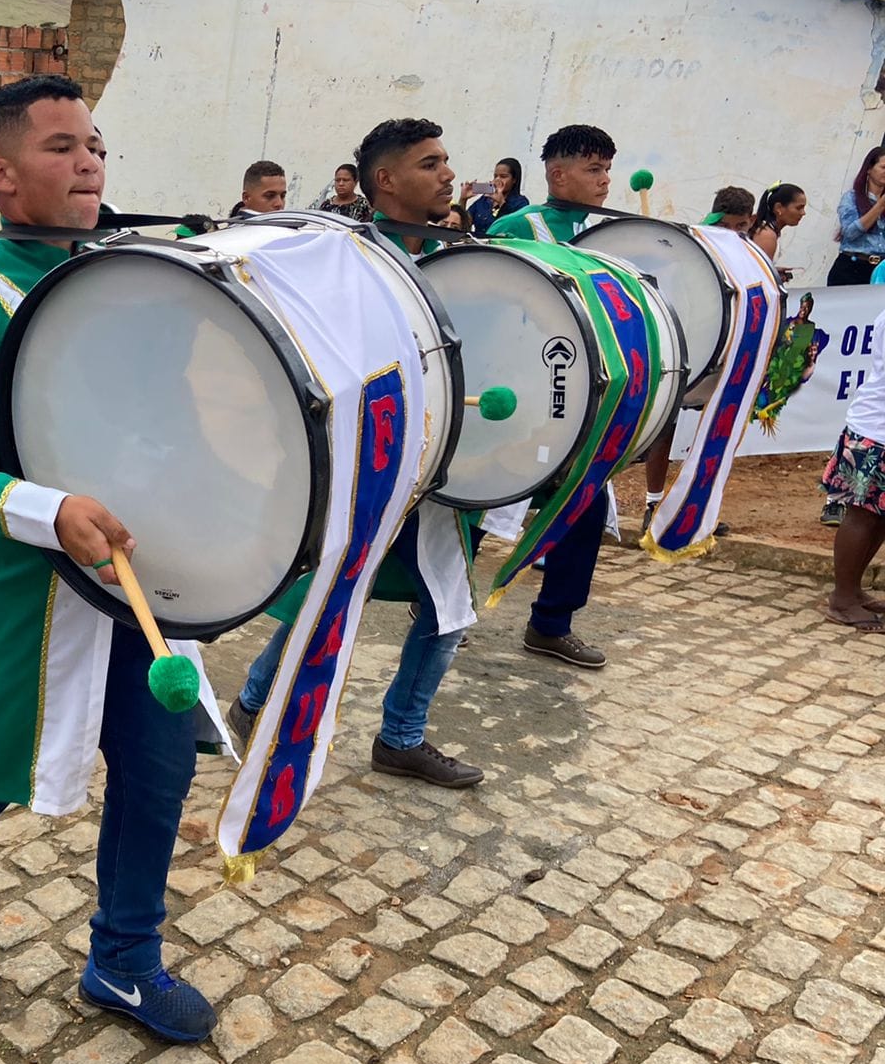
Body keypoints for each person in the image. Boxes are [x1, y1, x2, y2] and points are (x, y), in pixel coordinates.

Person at [0, 75, 218, 1044]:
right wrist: (48, 508)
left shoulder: (123, 278)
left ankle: (125, 961)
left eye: (95, 145)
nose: (89, 162)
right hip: (15, 589)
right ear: (2, 171)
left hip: (133, 579)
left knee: (156, 773)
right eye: (62, 146)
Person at [230, 117, 483, 788]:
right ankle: (382, 733)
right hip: (372, 469)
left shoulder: (452, 261)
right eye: (430, 164)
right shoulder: (347, 263)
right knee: (373, 594)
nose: (448, 175)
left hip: (432, 471)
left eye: (446, 161)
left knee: (408, 600)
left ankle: (271, 706)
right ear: (386, 180)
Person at [489, 124, 617, 669]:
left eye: (608, 169)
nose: (605, 180)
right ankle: (439, 609)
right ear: (558, 175)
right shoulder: (517, 228)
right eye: (594, 169)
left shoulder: (614, 233)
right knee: (476, 498)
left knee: (585, 503)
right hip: (516, 393)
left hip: (584, 397)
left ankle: (551, 624)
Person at [643, 185, 760, 529]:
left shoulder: (748, 252)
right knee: (664, 429)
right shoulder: (692, 245)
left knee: (714, 431)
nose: (732, 233)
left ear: (751, 221)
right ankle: (653, 505)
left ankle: (697, 509)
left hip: (724, 349)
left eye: (740, 226)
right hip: (682, 345)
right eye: (725, 226)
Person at [819, 300, 885, 632]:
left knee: (878, 517)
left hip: (875, 429)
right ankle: (843, 599)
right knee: (863, 516)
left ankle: (853, 590)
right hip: (877, 433)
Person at [829, 146, 885, 287]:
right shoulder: (851, 198)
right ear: (869, 169)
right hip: (852, 268)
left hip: (881, 271)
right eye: (883, 167)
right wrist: (879, 206)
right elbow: (849, 233)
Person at [749, 183, 806, 274]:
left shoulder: (768, 230)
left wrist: (774, 272)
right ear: (778, 208)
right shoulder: (767, 235)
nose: (803, 213)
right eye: (799, 208)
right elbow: (757, 274)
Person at [467, 158, 529, 235]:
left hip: (501, 242)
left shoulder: (520, 202)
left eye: (503, 176)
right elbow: (465, 223)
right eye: (495, 176)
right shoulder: (485, 199)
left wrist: (502, 203)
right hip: (478, 241)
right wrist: (463, 199)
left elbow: (514, 228)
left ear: (514, 180)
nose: (497, 180)